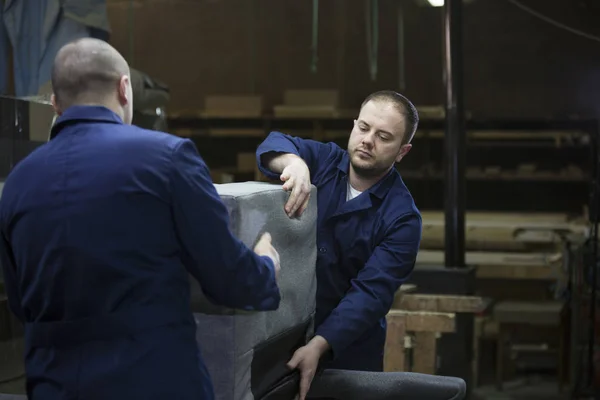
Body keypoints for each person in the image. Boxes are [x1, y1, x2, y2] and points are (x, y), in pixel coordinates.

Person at [0, 38, 282, 400]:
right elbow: (227, 277)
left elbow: (23, 304)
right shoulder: (167, 158)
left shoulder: (18, 183)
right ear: (124, 88)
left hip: (53, 385)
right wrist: (265, 265)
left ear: (55, 104)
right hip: (154, 381)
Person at [256, 90, 422, 399]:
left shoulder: (402, 218)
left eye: (384, 136)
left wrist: (320, 345)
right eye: (363, 127)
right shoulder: (323, 161)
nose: (368, 140)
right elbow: (273, 143)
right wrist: (295, 164)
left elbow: (370, 295)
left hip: (347, 352)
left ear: (402, 151)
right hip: (283, 337)